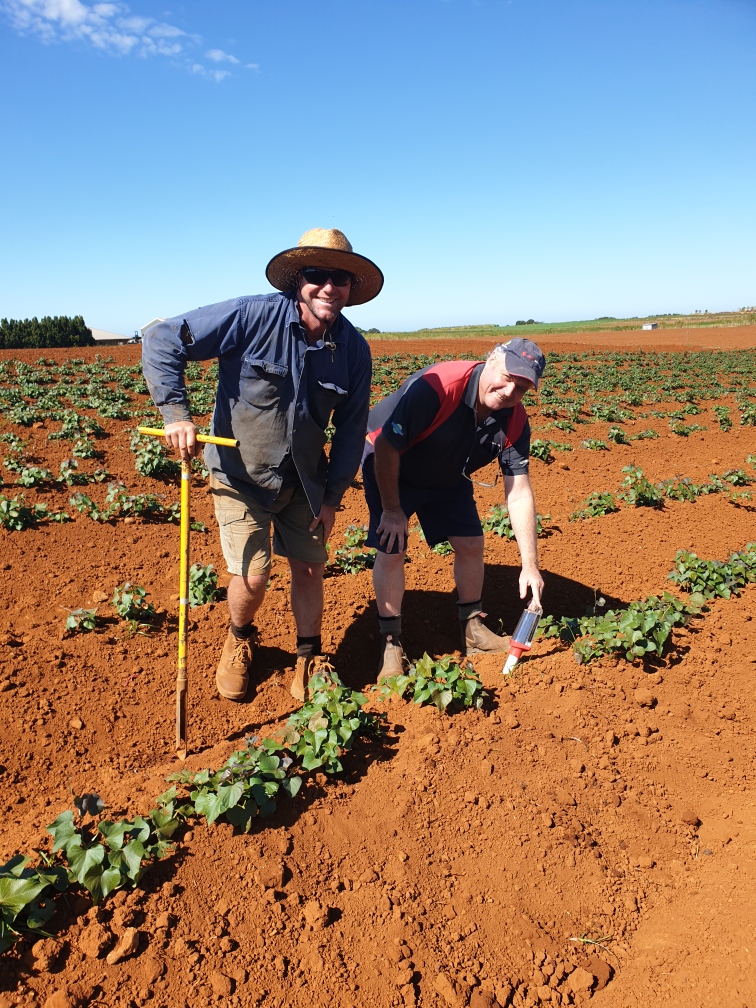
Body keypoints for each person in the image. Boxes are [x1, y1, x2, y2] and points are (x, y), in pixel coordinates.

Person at [142, 228, 382, 703]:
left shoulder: (354, 351)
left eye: (341, 277)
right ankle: (239, 637)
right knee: (252, 577)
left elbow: (352, 432)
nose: (329, 287)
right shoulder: (252, 316)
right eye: (317, 274)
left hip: (306, 484)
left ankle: (307, 657)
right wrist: (177, 415)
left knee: (311, 569)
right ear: (299, 280)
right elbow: (161, 338)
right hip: (240, 474)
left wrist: (333, 498)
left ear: (352, 287)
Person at [362, 338, 546, 678]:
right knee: (392, 547)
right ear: (492, 358)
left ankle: (473, 629)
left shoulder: (515, 422)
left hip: (447, 473)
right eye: (507, 377)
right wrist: (392, 510)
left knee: (472, 543)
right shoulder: (439, 387)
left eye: (520, 388)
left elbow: (519, 491)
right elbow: (387, 446)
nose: (509, 391)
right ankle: (391, 643)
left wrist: (530, 565)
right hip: (391, 464)